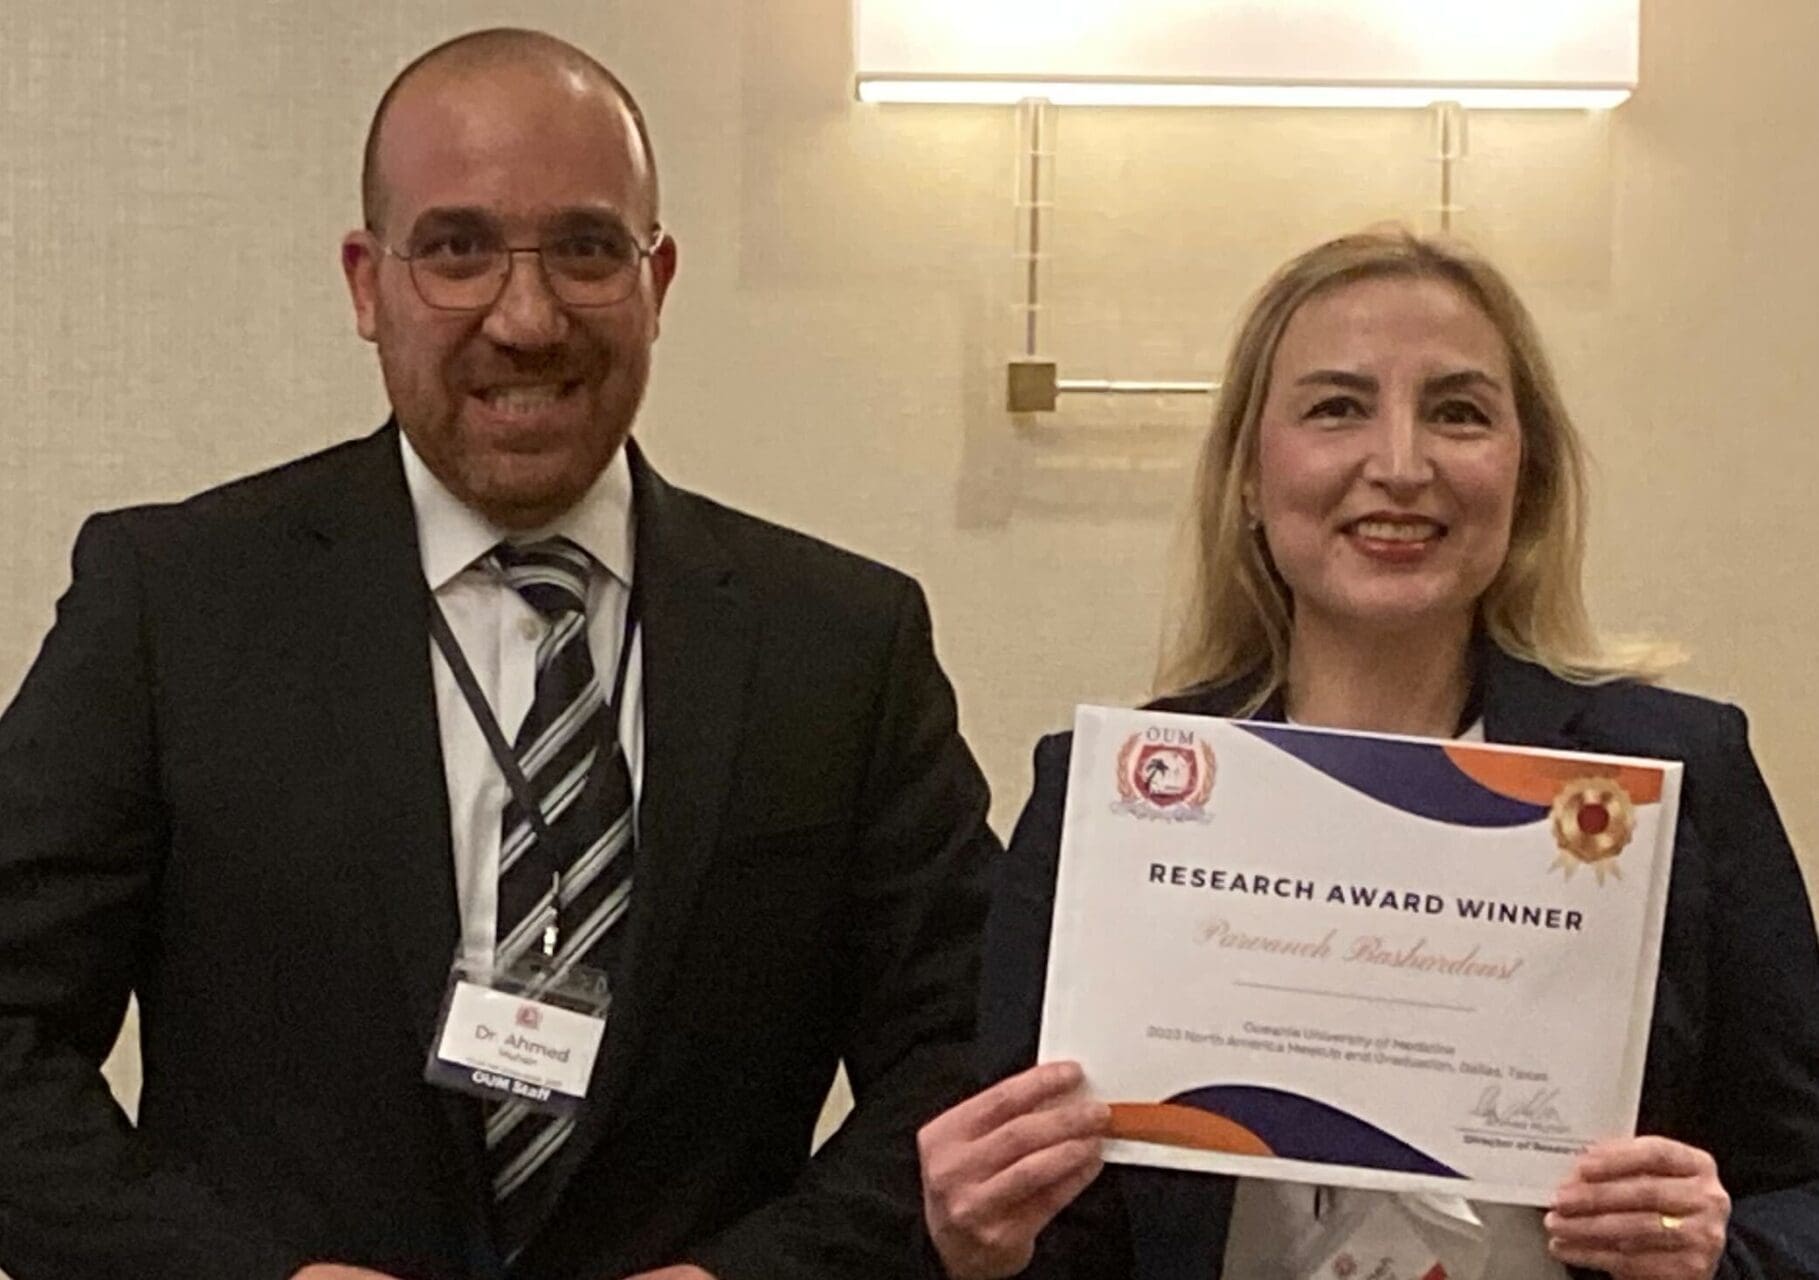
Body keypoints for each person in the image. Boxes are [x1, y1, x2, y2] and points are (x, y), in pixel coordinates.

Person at [0, 28, 994, 1280]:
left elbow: (964, 1057)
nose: (526, 320)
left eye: (585, 248)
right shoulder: (175, 604)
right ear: (367, 283)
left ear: (657, 278)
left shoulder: (841, 645)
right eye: (457, 249)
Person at [917, 229, 1819, 1280]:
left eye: (1458, 411)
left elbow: (1802, 1186)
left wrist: (1716, 1248)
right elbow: (1059, 1241)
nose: (1399, 464)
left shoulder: (1680, 777)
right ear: (1250, 474)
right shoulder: (1107, 808)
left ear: (1522, 474)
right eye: (1336, 406)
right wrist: (972, 1244)